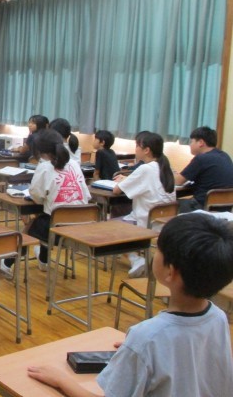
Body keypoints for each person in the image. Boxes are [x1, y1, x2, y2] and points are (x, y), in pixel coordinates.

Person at [28, 213, 233, 397]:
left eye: (158, 249)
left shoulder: (146, 338)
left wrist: (61, 380)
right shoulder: (218, 317)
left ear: (170, 272)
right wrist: (137, 352)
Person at [113, 131, 176, 277]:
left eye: (137, 146)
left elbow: (116, 190)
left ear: (146, 150)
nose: (135, 149)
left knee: (109, 226)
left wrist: (123, 180)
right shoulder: (165, 168)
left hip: (146, 223)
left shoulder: (145, 169)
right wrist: (127, 180)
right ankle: (138, 256)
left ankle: (136, 259)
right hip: (165, 223)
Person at [28, 129, 90, 271]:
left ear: (40, 151)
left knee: (30, 227)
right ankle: (43, 260)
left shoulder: (44, 167)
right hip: (83, 224)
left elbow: (36, 196)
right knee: (45, 216)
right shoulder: (74, 164)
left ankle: (7, 264)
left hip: (57, 228)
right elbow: (86, 194)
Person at [174, 126, 233, 212]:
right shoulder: (225, 156)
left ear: (201, 142)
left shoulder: (201, 159)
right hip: (224, 208)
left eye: (191, 141)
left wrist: (170, 174)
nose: (190, 145)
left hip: (201, 207)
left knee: (168, 205)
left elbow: (178, 181)